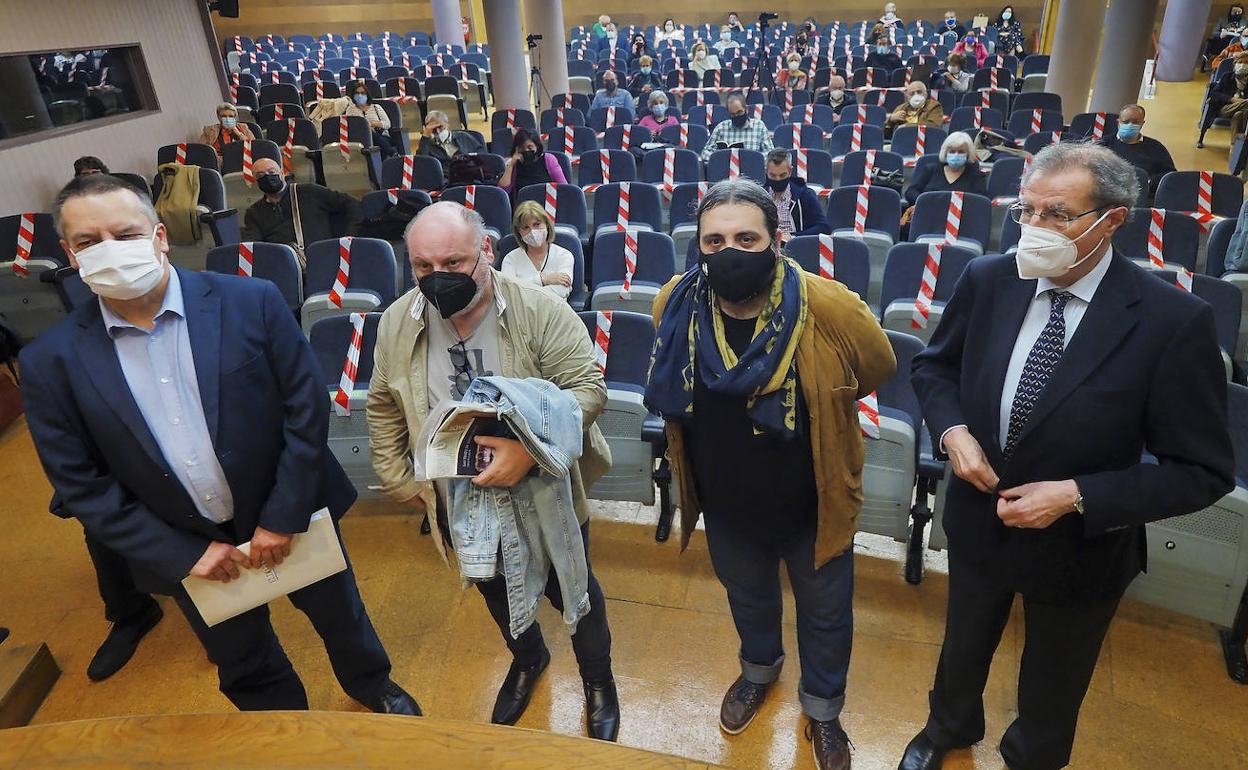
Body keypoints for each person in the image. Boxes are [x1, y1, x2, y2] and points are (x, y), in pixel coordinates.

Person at [21, 174, 423, 715]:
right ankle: (282, 730)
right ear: (70, 254)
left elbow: (304, 412)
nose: (109, 250)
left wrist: (283, 515)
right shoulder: (50, 362)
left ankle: (371, 684)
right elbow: (82, 485)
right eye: (90, 242)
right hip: (185, 541)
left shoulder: (250, 301)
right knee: (242, 656)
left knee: (341, 615)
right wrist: (183, 554)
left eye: (125, 232)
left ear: (159, 236)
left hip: (289, 508)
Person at [899, 142, 1233, 770]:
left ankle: (1031, 758)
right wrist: (951, 433)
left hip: (1081, 544)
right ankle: (947, 729)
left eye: (1057, 214)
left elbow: (1202, 471)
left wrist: (1078, 496)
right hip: (979, 516)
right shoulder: (990, 278)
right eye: (1026, 211)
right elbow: (933, 369)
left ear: (1112, 220)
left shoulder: (1172, 322)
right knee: (962, 645)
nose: (1034, 229)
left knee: (1055, 681)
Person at [646, 179, 895, 770]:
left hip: (813, 504)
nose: (729, 251)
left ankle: (824, 711)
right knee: (749, 600)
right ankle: (758, 672)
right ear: (699, 246)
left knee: (827, 614)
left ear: (777, 240)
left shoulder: (829, 306)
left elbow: (876, 366)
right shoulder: (674, 303)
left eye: (746, 237)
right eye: (715, 240)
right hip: (728, 503)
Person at [366, 201, 619, 740]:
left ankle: (598, 680)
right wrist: (400, 479)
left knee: (574, 590)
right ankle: (529, 658)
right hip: (460, 496)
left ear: (485, 251)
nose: (438, 279)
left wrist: (528, 451)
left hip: (543, 487)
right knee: (494, 588)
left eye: (453, 264)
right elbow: (383, 402)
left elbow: (588, 391)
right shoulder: (397, 321)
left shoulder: (538, 310)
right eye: (423, 267)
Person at [241, 158, 362, 254]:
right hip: (285, 266)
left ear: (282, 173)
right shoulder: (254, 212)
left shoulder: (309, 191)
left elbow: (352, 204)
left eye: (272, 172)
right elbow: (254, 246)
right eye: (260, 175)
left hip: (325, 257)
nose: (267, 177)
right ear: (255, 181)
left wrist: (349, 237)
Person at [902, 132, 986, 230]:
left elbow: (981, 200)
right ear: (945, 152)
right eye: (952, 151)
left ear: (968, 154)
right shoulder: (930, 170)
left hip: (962, 223)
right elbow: (911, 192)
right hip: (927, 220)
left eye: (961, 152)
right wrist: (922, 202)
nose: (956, 155)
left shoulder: (976, 175)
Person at [499, 201, 575, 300]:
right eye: (526, 227)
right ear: (519, 232)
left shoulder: (564, 255)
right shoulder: (510, 259)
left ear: (547, 225)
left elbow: (562, 289)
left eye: (537, 224)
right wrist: (543, 280)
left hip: (555, 313)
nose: (532, 231)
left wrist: (522, 289)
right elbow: (508, 291)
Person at [1101, 104, 1176, 198]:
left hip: (1143, 198)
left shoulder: (1155, 147)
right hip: (1106, 196)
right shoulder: (1102, 144)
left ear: (1142, 123)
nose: (1130, 125)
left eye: (1135, 122)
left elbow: (1169, 175)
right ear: (1118, 122)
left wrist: (1147, 182)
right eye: (1126, 121)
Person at [764, 149, 829, 240]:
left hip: (796, 246)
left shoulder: (805, 195)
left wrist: (794, 237)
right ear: (766, 172)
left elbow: (823, 227)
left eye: (782, 175)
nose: (778, 179)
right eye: (773, 176)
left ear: (790, 171)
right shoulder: (760, 196)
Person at [702, 93, 775, 162]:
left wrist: (753, 157)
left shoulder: (759, 126)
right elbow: (705, 153)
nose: (737, 116)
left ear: (746, 109)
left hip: (751, 170)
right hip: (726, 171)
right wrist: (720, 157)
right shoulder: (721, 127)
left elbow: (770, 153)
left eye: (739, 112)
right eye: (733, 114)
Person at [498, 128, 568, 199]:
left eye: (530, 147)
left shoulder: (548, 159)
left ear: (537, 146)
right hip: (523, 206)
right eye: (522, 148)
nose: (526, 150)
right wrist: (511, 165)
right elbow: (503, 191)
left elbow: (564, 187)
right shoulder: (515, 163)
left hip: (545, 205)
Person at [415, 110, 487, 177]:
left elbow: (483, 156)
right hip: (445, 182)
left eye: (440, 127)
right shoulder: (427, 145)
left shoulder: (463, 137)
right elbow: (421, 165)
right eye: (433, 129)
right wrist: (425, 137)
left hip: (469, 176)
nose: (438, 131)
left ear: (447, 125)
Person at [344, 81, 393, 158]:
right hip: (361, 138)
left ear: (367, 95)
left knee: (376, 140)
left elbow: (387, 124)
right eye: (357, 93)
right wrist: (366, 126)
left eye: (363, 93)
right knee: (368, 131)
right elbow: (350, 126)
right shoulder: (350, 109)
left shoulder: (376, 107)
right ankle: (392, 153)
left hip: (381, 136)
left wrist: (373, 123)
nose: (360, 95)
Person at [1205, 4, 1246, 71]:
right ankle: (1213, 59)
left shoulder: (1245, 20)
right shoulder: (1222, 20)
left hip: (1238, 41)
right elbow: (1214, 33)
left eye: (1239, 12)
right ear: (1230, 12)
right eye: (1234, 11)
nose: (1237, 13)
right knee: (1211, 41)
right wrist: (1222, 34)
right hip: (1223, 40)